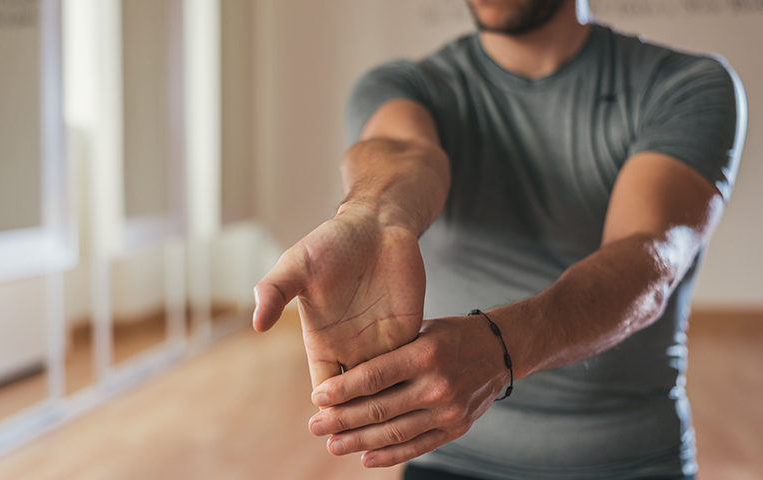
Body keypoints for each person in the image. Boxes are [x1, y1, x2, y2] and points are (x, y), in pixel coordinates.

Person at [252, 0, 746, 478]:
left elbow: (648, 254)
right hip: (446, 459)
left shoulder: (687, 84)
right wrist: (369, 217)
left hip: (630, 461)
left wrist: (500, 350)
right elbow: (402, 153)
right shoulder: (405, 87)